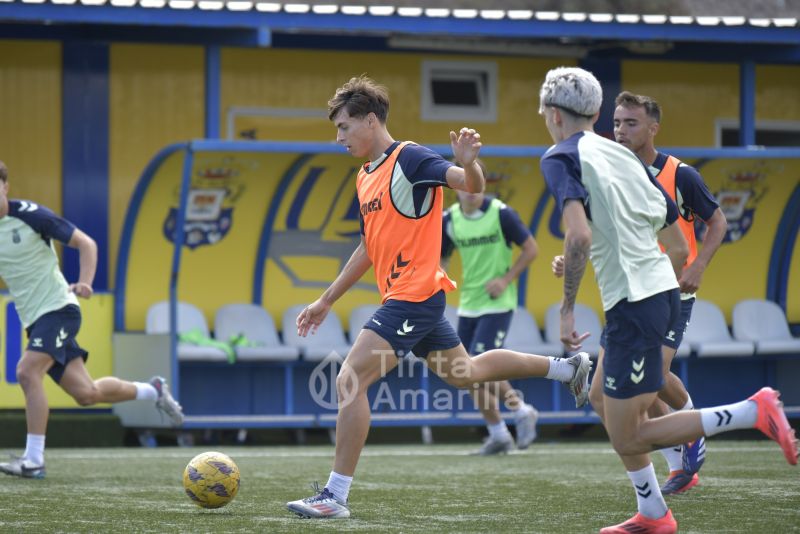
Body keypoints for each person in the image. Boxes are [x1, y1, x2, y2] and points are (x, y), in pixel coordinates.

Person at [285, 75, 592, 519]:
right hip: (412, 298)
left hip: (414, 296)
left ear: (370, 121)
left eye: (344, 127)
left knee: (349, 379)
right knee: (466, 374)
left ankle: (334, 496)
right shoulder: (364, 176)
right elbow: (369, 248)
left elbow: (469, 185)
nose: (339, 138)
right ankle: (567, 371)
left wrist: (469, 163)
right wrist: (326, 299)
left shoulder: (409, 158)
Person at [538, 67, 797, 534]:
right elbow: (677, 243)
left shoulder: (561, 156)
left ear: (552, 115)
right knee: (600, 396)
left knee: (629, 431)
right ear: (598, 114)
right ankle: (654, 513)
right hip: (658, 295)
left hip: (636, 304)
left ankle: (750, 411)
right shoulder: (627, 161)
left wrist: (566, 306)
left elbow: (577, 236)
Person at [0, 161, 184, 479]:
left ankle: (33, 460)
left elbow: (86, 243)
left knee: (27, 372)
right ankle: (154, 390)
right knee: (87, 394)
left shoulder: (31, 215)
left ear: (5, 186)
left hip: (59, 310)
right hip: (36, 319)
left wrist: (85, 281)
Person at [613, 90, 728, 495]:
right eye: (616, 123)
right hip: (630, 294)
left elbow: (718, 223)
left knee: (654, 377)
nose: (620, 131)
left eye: (631, 123)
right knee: (622, 390)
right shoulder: (614, 172)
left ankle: (692, 427)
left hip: (673, 292)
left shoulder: (681, 175)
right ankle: (679, 462)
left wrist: (697, 266)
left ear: (653, 128)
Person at [441, 171, 541, 454]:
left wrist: (506, 279)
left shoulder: (502, 214)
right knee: (464, 370)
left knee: (478, 366)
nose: (471, 191)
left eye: (477, 184)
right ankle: (499, 433)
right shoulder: (450, 220)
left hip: (498, 303)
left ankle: (520, 411)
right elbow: (442, 258)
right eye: (465, 186)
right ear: (456, 188)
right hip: (468, 303)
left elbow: (531, 249)